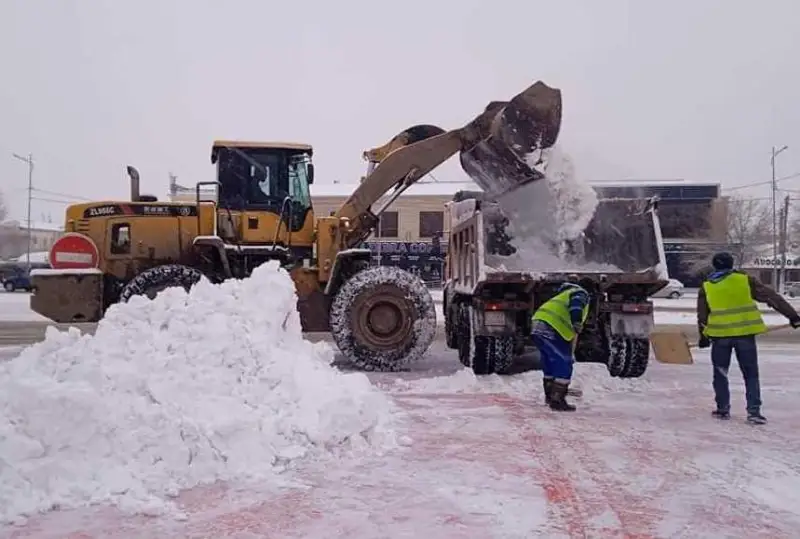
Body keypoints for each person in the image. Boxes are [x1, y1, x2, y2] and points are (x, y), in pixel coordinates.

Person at [697, 251, 800, 424]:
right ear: (732, 264)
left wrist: (703, 336)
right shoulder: (744, 280)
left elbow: (702, 315)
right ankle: (754, 412)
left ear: (715, 266)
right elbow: (771, 297)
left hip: (720, 336)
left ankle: (723, 408)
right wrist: (793, 316)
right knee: (751, 374)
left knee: (720, 373)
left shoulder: (707, 286)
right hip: (745, 335)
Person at [531, 281, 590, 411]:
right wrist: (577, 322)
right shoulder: (579, 292)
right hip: (551, 328)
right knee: (564, 361)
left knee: (550, 361)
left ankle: (550, 395)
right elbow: (576, 306)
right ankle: (557, 400)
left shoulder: (560, 296)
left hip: (537, 327)